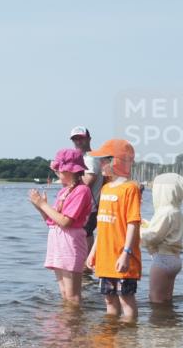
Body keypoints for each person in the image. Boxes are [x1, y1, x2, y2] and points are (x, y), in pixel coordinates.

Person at [85, 138, 141, 321]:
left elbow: (133, 222)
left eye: (104, 159)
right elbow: (102, 225)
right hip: (105, 258)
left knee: (126, 299)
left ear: (116, 161)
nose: (100, 163)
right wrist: (93, 252)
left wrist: (126, 252)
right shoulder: (106, 188)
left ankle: (128, 340)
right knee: (109, 301)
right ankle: (109, 339)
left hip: (123, 257)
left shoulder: (130, 188)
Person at [28, 148, 93, 305]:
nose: (56, 172)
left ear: (70, 170)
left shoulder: (82, 190)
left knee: (72, 296)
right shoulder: (64, 191)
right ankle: (66, 326)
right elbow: (52, 221)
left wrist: (43, 204)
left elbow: (66, 221)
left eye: (59, 170)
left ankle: (75, 327)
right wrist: (40, 207)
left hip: (70, 243)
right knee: (64, 294)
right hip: (57, 242)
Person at [141, 172, 183, 306]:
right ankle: (169, 322)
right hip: (174, 259)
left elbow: (153, 237)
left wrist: (138, 230)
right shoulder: (176, 211)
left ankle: (158, 325)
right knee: (166, 298)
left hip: (162, 260)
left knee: (155, 299)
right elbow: (165, 233)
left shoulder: (165, 212)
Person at [69, 127, 103, 262]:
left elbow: (87, 182)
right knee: (84, 236)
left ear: (89, 139)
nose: (78, 141)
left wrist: (66, 173)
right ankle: (85, 272)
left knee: (85, 235)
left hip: (90, 207)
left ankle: (85, 269)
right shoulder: (82, 158)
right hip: (85, 207)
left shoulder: (90, 159)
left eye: (81, 138)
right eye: (75, 139)